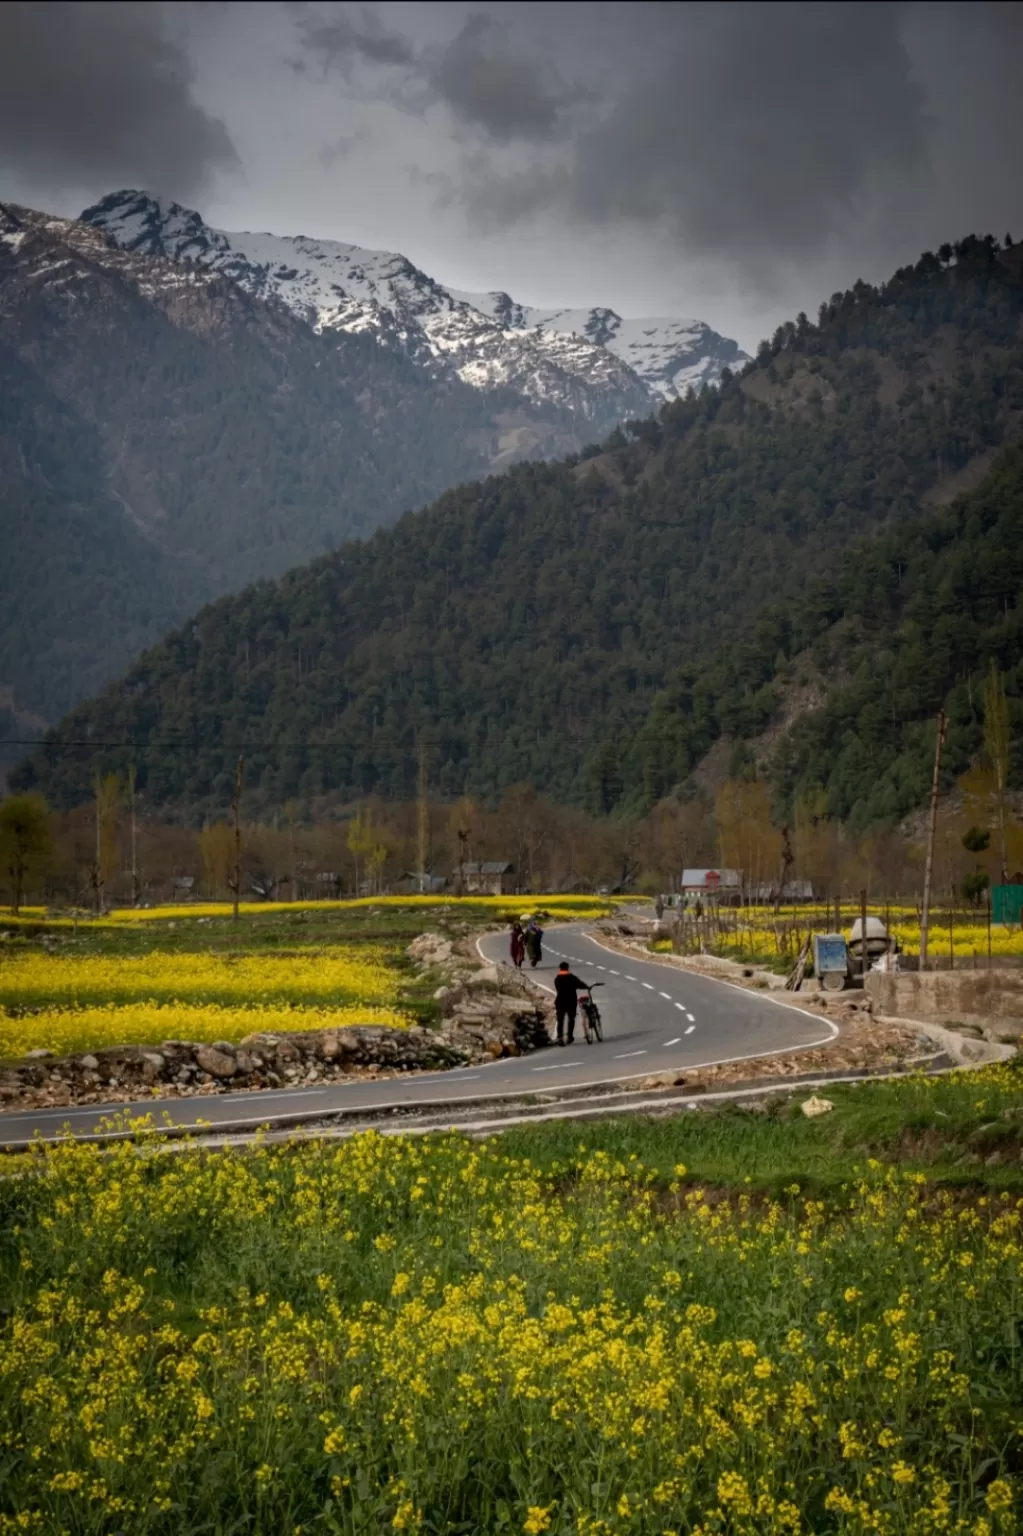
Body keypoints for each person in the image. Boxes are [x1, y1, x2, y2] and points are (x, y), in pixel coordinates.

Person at [553, 961, 590, 1045]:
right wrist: (587, 987)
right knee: (571, 1019)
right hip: (571, 1001)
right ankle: (569, 1037)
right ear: (567, 968)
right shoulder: (571, 977)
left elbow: (557, 987)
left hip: (560, 1001)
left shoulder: (557, 978)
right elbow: (580, 984)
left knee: (560, 1020)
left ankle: (560, 1037)